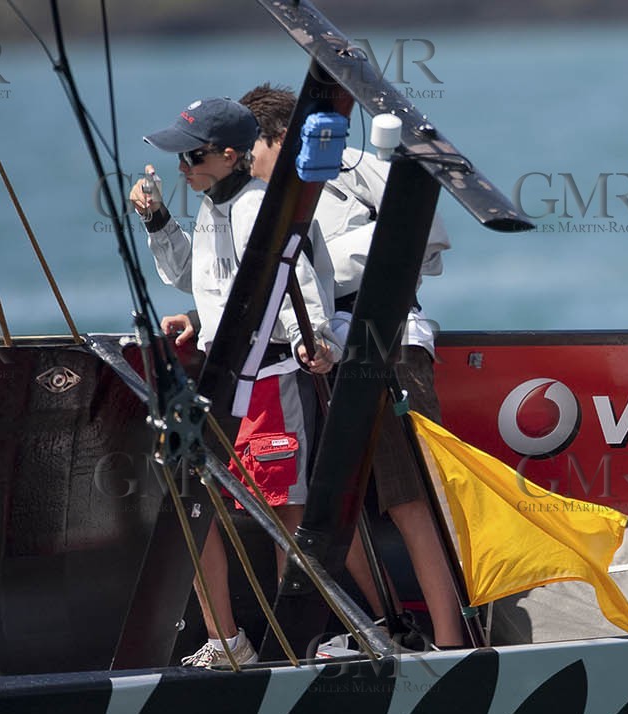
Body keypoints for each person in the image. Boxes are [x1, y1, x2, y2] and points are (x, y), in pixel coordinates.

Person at [238, 83, 464, 648]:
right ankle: (383, 623)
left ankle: (451, 638)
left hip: (386, 345)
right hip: (320, 357)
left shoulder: (357, 167)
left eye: (251, 153)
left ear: (281, 139)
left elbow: (427, 233)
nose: (246, 167)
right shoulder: (261, 203)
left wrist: (312, 264)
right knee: (326, 500)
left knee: (408, 494)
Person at [128, 96, 343, 667]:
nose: (181, 169)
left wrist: (311, 338)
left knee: (283, 519)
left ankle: (298, 647)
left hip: (272, 379)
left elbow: (296, 283)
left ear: (228, 155)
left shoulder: (263, 207)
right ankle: (228, 643)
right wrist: (157, 222)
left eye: (190, 157)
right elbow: (189, 278)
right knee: (192, 509)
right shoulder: (209, 206)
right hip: (219, 385)